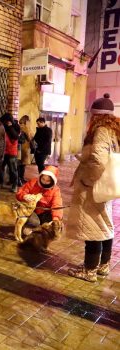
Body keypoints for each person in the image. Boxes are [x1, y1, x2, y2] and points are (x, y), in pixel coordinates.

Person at [67, 93, 120, 282]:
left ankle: (89, 270)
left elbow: (98, 160)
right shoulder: (114, 130)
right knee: (105, 225)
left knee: (93, 228)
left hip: (94, 186)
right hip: (106, 187)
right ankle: (103, 265)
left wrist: (88, 180)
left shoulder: (101, 130)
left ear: (96, 114)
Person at [16, 165, 63, 231]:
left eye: (48, 181)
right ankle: (27, 226)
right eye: (43, 179)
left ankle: (37, 228)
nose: (44, 182)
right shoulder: (33, 182)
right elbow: (19, 193)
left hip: (45, 212)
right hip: (31, 210)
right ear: (40, 176)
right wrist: (24, 196)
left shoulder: (55, 190)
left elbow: (57, 205)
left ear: (52, 181)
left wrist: (56, 219)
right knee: (34, 222)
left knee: (54, 221)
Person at [0, 113, 20, 193]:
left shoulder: (15, 126)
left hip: (11, 151)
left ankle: (15, 185)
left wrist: (10, 126)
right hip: (3, 151)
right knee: (0, 168)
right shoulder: (3, 126)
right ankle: (1, 183)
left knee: (13, 170)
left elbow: (15, 137)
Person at [18, 115, 33, 184]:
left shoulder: (18, 126)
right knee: (22, 165)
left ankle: (17, 178)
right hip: (24, 148)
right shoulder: (25, 128)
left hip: (18, 147)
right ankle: (20, 178)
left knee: (18, 164)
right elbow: (30, 138)